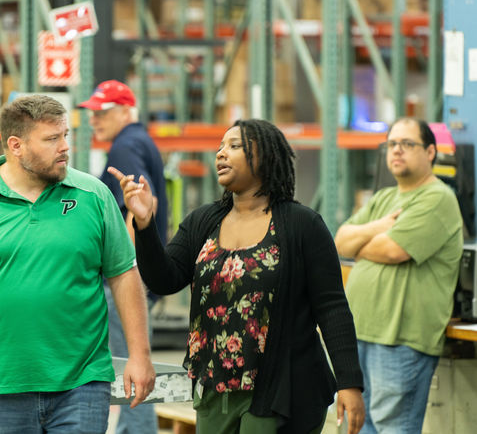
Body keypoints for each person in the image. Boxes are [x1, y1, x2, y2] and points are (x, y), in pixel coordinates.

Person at [109, 119, 365, 434]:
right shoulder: (204, 221)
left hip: (283, 391)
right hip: (214, 389)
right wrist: (145, 224)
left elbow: (332, 307)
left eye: (234, 146)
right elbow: (165, 279)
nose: (221, 153)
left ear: (265, 156)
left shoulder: (302, 225)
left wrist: (349, 383)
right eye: (220, 147)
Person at [0, 94, 156, 433]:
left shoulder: (92, 195)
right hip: (6, 383)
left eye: (65, 135)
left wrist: (140, 355)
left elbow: (124, 273)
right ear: (16, 145)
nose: (64, 147)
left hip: (81, 384)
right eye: (51, 139)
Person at [335, 117, 464, 434]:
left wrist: (360, 243)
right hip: (360, 334)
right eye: (392, 144)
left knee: (393, 428)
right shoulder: (383, 199)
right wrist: (379, 228)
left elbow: (394, 250)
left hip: (399, 342)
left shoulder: (437, 198)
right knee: (358, 428)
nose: (396, 150)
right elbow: (339, 241)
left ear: (430, 152)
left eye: (407, 144)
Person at [79, 79, 167, 433]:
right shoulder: (139, 140)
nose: (94, 121)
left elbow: (143, 203)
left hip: (125, 278)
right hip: (138, 273)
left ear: (126, 112)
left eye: (103, 113)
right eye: (92, 114)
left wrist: (126, 270)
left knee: (131, 369)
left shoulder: (125, 146)